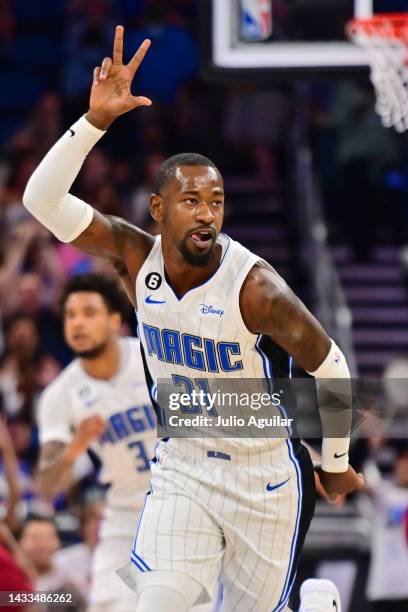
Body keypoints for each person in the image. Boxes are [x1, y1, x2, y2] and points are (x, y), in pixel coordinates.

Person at [23, 26, 363, 612]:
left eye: (217, 201)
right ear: (158, 209)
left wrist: (333, 462)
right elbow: (42, 201)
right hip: (182, 468)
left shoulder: (256, 288)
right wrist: (94, 123)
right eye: (191, 201)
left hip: (264, 478)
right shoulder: (134, 256)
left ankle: (318, 602)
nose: (207, 214)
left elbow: (331, 366)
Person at [35, 273, 156, 612]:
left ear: (115, 320)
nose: (78, 323)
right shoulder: (60, 395)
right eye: (71, 315)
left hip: (184, 504)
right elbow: (46, 485)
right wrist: (74, 448)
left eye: (89, 312)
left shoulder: (151, 359)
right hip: (125, 515)